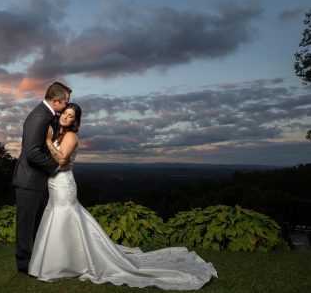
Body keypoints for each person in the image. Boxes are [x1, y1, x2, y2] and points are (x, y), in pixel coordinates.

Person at [28, 103, 218, 290]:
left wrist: (47, 143)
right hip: (53, 183)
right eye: (65, 113)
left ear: (75, 121)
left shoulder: (70, 135)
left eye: (71, 116)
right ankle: (66, 261)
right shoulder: (57, 132)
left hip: (63, 184)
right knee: (60, 218)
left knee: (64, 218)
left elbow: (61, 159)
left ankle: (63, 265)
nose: (66, 117)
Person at [12, 81, 72, 274]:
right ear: (55, 102)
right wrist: (56, 165)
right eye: (65, 102)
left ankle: (39, 261)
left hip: (38, 179)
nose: (66, 106)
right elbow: (32, 153)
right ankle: (24, 265)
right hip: (28, 181)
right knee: (26, 226)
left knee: (39, 223)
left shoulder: (48, 115)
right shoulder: (39, 116)